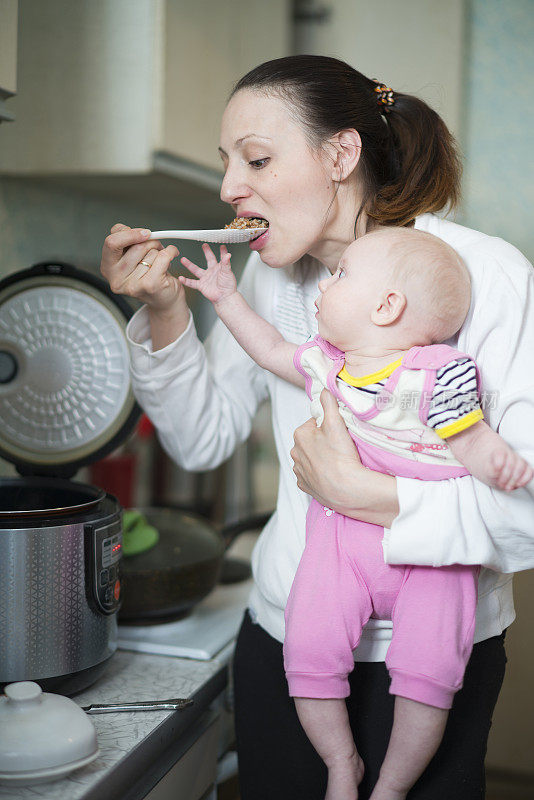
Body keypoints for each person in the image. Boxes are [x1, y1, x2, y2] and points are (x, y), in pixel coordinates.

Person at [100, 56, 534, 799]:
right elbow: (202, 440)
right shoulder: (268, 280)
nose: (231, 187)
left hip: (439, 657)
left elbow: (525, 509)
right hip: (282, 640)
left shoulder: (483, 278)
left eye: (258, 159)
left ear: (341, 154)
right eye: (227, 163)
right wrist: (170, 312)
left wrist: (369, 497)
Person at [175, 225, 532, 800]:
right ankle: (340, 761)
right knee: (309, 647)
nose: (325, 284)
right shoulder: (327, 364)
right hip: (342, 544)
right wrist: (226, 298)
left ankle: (393, 785)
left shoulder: (436, 371)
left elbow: (467, 434)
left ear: (387, 306)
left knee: (428, 677)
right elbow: (267, 349)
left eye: (342, 276)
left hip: (432, 560)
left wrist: (498, 464)